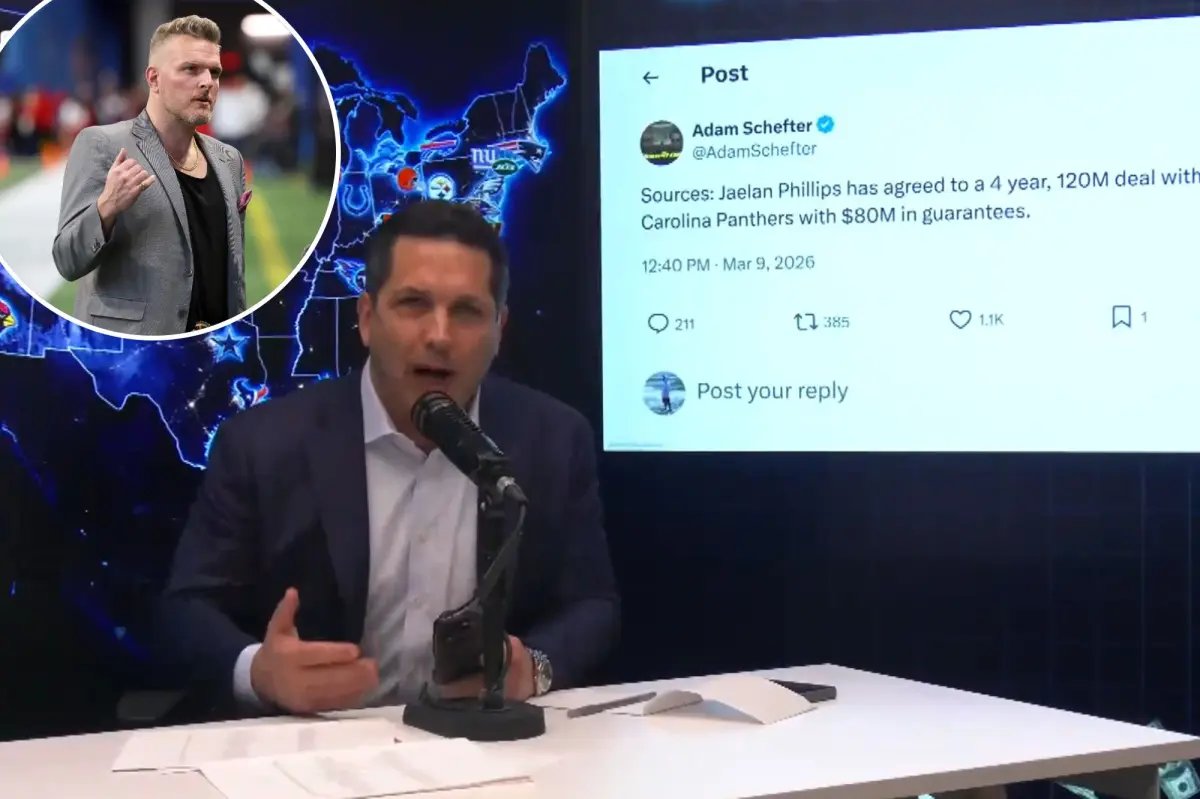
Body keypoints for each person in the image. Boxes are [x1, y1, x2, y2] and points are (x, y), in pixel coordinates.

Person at [156, 200, 620, 718]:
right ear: (367, 319)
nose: (439, 336)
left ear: (498, 331)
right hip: (313, 742)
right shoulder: (263, 446)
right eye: (413, 304)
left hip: (481, 744)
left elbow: (591, 604)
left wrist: (534, 667)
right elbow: (186, 610)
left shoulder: (553, 440)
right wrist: (259, 672)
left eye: (467, 312)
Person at [52, 15, 248, 336]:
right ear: (153, 79)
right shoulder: (102, 145)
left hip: (214, 350)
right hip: (136, 353)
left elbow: (232, 274)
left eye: (214, 72)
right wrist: (106, 208)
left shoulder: (229, 161)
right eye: (191, 69)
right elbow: (66, 260)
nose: (207, 82)